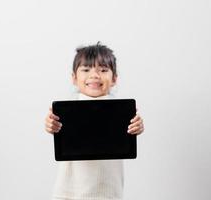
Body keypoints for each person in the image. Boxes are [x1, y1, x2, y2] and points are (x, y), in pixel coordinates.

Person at [44, 42, 144, 200]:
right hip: (70, 192)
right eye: (86, 69)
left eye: (103, 70)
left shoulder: (122, 112)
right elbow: (54, 127)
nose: (94, 75)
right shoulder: (65, 112)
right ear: (74, 78)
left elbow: (132, 130)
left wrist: (137, 126)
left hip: (109, 191)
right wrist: (51, 125)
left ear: (114, 78)